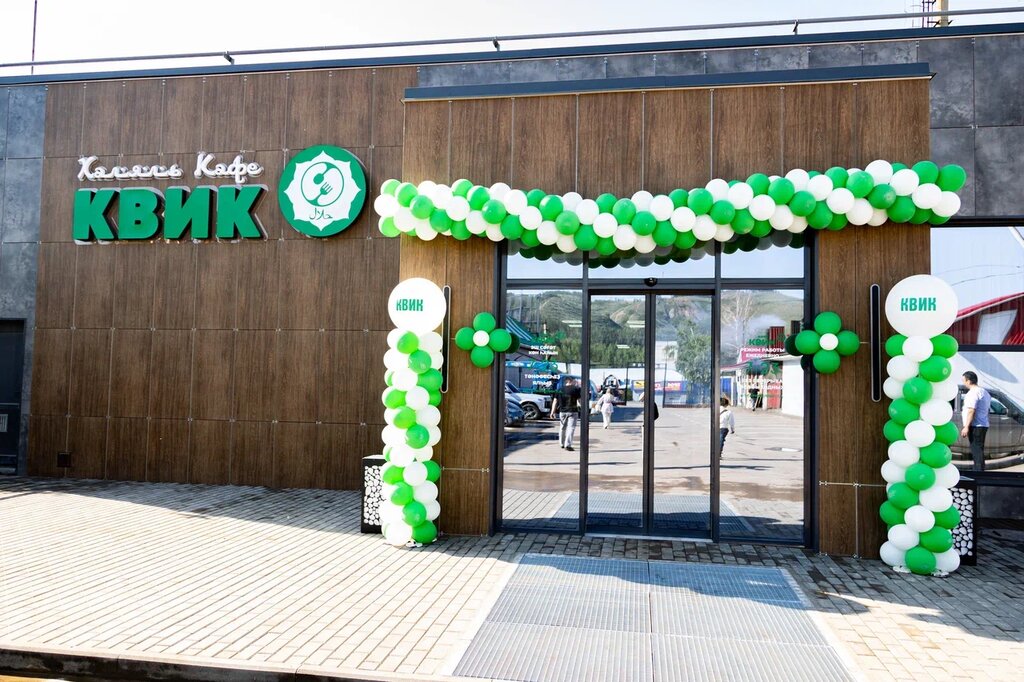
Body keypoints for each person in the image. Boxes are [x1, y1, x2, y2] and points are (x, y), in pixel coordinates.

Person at [961, 371, 991, 470]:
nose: (963, 383)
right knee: (979, 450)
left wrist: (966, 427)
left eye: (964, 381)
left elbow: (971, 410)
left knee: (976, 450)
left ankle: (978, 473)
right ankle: (980, 471)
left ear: (969, 381)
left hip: (975, 425)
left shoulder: (973, 393)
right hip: (983, 424)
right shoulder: (984, 392)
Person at [550, 376, 582, 451]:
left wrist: (552, 412)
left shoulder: (559, 390)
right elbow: (579, 400)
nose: (574, 382)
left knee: (562, 427)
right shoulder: (576, 389)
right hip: (573, 411)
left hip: (562, 411)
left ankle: (561, 443)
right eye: (574, 381)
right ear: (570, 381)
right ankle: (567, 445)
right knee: (571, 428)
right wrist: (582, 408)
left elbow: (555, 401)